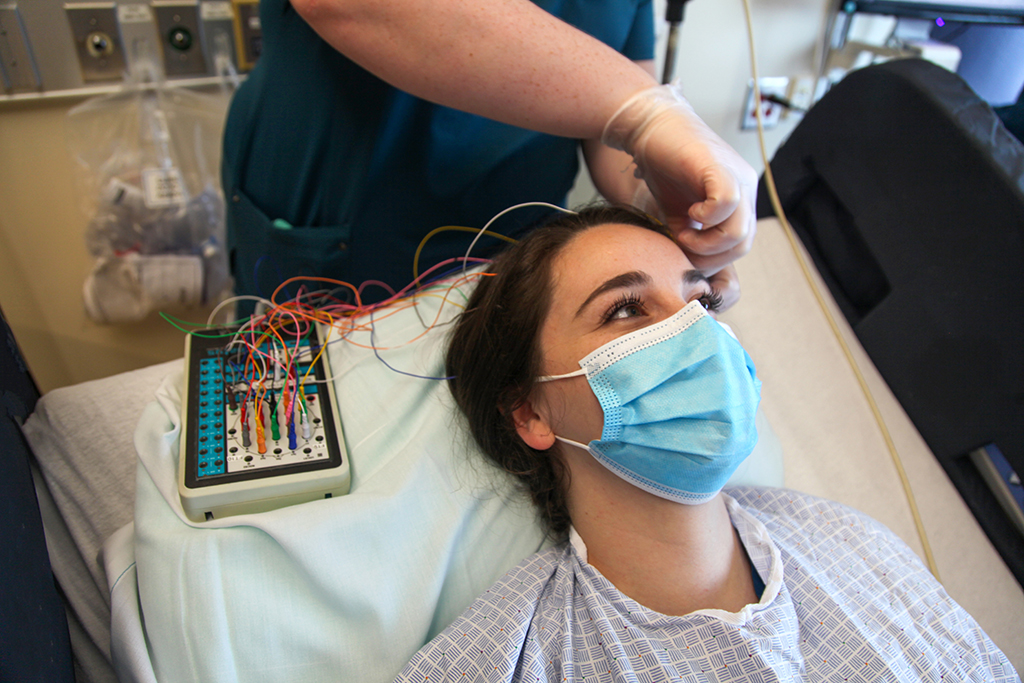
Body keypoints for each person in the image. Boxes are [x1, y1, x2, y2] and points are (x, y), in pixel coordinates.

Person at [393, 205, 1019, 682]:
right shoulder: (509, 657)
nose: (696, 332)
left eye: (701, 300)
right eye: (626, 309)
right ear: (530, 411)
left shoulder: (854, 546)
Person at [221, 0, 756, 312]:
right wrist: (647, 116)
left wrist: (651, 190)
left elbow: (611, 96)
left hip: (515, 237)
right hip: (341, 218)